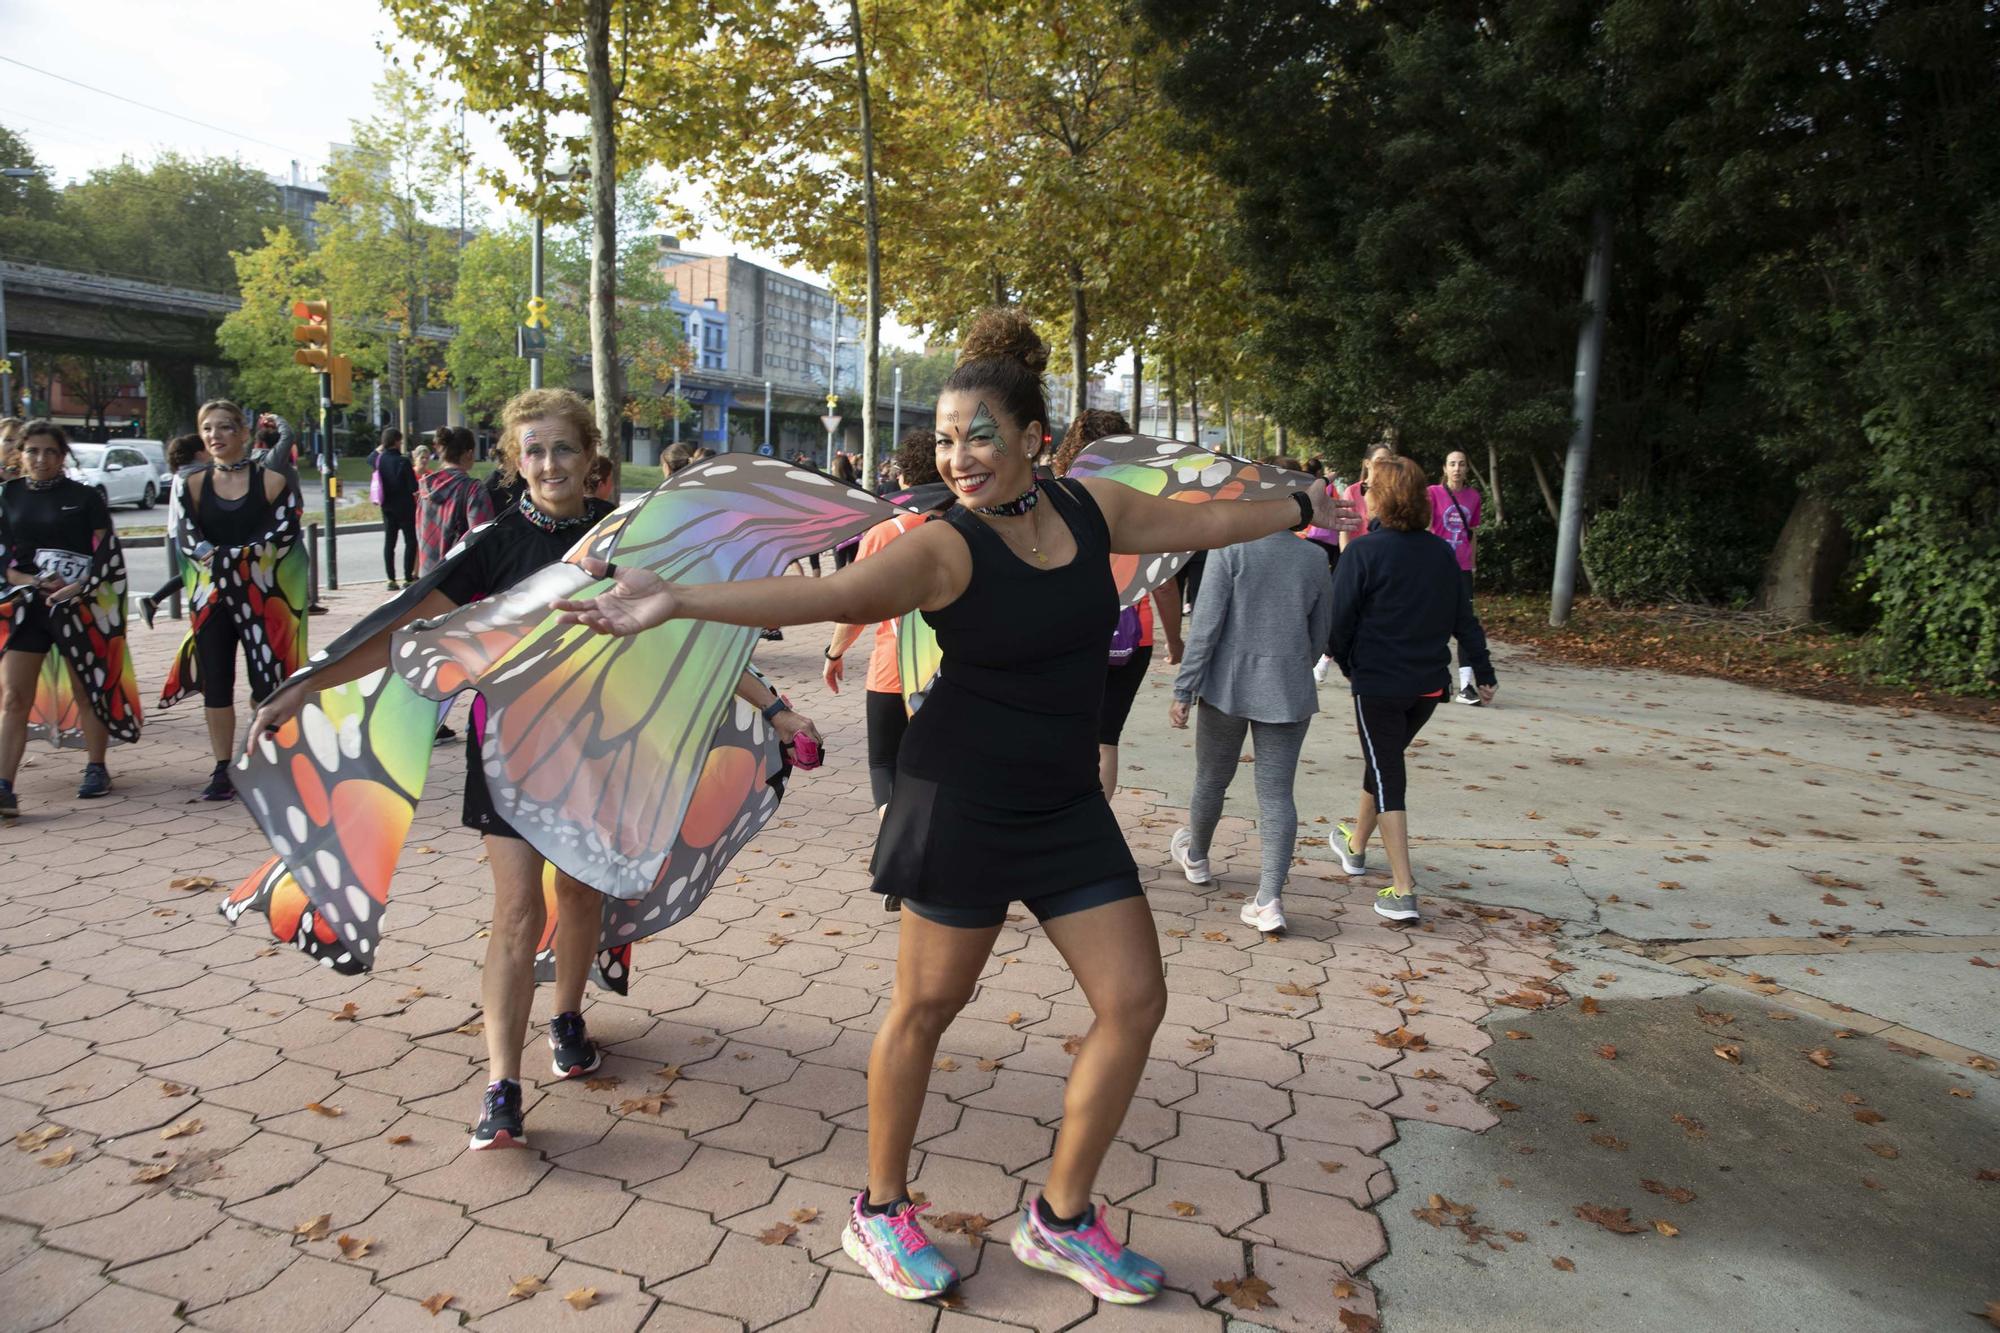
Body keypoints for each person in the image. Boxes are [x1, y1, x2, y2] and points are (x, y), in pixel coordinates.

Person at [552, 308, 1354, 1306]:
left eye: (979, 433)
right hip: (960, 799)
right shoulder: (945, 547)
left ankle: (1058, 1220)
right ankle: (879, 1211)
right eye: (943, 438)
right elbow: (825, 602)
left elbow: (1200, 523)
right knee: (927, 1008)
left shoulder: (1096, 506)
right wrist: (676, 599)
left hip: (1062, 806)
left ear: (1030, 437)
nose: (959, 455)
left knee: (1134, 1000)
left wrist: (1299, 508)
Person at [248, 387, 826, 1152]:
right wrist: (306, 684)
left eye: (563, 449)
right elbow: (400, 627)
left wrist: (777, 707)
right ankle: (501, 1085)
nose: (549, 463)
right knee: (518, 908)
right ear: (515, 462)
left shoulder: (622, 544)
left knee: (580, 892)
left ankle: (567, 1016)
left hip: (601, 747)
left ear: (592, 460)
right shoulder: (490, 545)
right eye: (534, 451)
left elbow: (694, 637)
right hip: (508, 749)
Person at [1325, 456, 1496, 924]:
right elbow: (1466, 618)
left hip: (1379, 684)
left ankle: (1403, 889)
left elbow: (1337, 624)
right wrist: (1482, 669)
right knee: (1382, 762)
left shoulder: (1362, 552)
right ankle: (1356, 846)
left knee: (1386, 774)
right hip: (1426, 688)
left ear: (1380, 498)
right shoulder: (1442, 552)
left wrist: (1347, 664)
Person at [1166, 529, 1332, 933]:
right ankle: (1269, 899)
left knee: (1211, 778)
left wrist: (1184, 688)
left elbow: (1205, 626)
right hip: (1288, 688)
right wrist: (1292, 664)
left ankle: (1198, 857)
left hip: (1227, 684)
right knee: (1277, 795)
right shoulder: (1314, 557)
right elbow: (1322, 632)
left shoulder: (1230, 550)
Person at [161, 400, 306, 801]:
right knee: (217, 683)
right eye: (208, 428)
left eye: (225, 427)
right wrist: (225, 556)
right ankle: (222, 767)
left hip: (262, 599)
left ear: (243, 433)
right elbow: (188, 539)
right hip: (212, 601)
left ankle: (264, 759)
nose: (215, 436)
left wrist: (237, 556)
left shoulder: (271, 480)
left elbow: (286, 530)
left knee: (268, 683)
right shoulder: (190, 484)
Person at [0, 420, 141, 813]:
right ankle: (4, 785)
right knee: (13, 696)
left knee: (85, 689)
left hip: (80, 605)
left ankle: (97, 766)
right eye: (32, 451)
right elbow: (2, 556)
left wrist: (82, 587)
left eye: (49, 452)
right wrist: (26, 579)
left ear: (62, 457)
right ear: (21, 454)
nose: (40, 459)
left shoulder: (85, 497)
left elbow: (106, 551)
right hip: (28, 606)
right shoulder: (7, 496)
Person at [1051, 408, 1184, 796]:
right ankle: (1093, 833)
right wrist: (1174, 643)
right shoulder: (1142, 497)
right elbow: (1164, 583)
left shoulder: (1058, 493)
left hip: (1068, 631)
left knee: (1062, 733)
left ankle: (1053, 828)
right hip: (1132, 636)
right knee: (1105, 740)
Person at [822, 428, 942, 815]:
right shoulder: (968, 523)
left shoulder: (888, 530)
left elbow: (855, 604)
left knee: (885, 764)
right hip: (955, 666)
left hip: (894, 668)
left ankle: (897, 852)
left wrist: (834, 652)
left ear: (904, 477)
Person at [1316, 444, 1393, 684]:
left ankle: (1370, 658)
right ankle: (1327, 656)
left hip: (1383, 562)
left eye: (1388, 461)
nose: (1384, 465)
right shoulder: (1353, 491)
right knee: (1345, 610)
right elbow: (1344, 530)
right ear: (1368, 463)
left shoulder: (1392, 493)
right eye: (1380, 460)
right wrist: (1349, 560)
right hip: (1355, 559)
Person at [136, 433, 209, 630]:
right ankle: (152, 601)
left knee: (195, 572)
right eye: (206, 449)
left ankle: (152, 602)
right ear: (199, 453)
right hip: (192, 536)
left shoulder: (181, 473)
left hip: (180, 534)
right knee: (202, 571)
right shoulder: (196, 475)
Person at [1429, 450, 1484, 704]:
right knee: (1433, 620)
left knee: (1466, 623)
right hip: (1437, 565)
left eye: (1462, 464)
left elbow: (1472, 533)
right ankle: (1435, 677)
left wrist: (1472, 565)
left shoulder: (1473, 496)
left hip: (1462, 568)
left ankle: (1466, 685)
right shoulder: (1432, 493)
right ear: (1444, 468)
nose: (1457, 468)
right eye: (1452, 464)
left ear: (1467, 468)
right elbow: (1427, 528)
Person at [417, 427, 496, 575]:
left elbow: (420, 534)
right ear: (469, 453)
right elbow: (482, 540)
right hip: (457, 581)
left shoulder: (425, 488)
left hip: (427, 579)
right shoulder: (473, 489)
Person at [373, 429, 419, 588]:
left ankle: (391, 579)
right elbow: (413, 486)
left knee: (389, 542)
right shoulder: (403, 461)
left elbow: (370, 458)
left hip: (387, 506)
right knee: (410, 541)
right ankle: (407, 577)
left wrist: (380, 448)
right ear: (396, 441)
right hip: (405, 507)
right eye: (400, 440)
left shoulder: (380, 459)